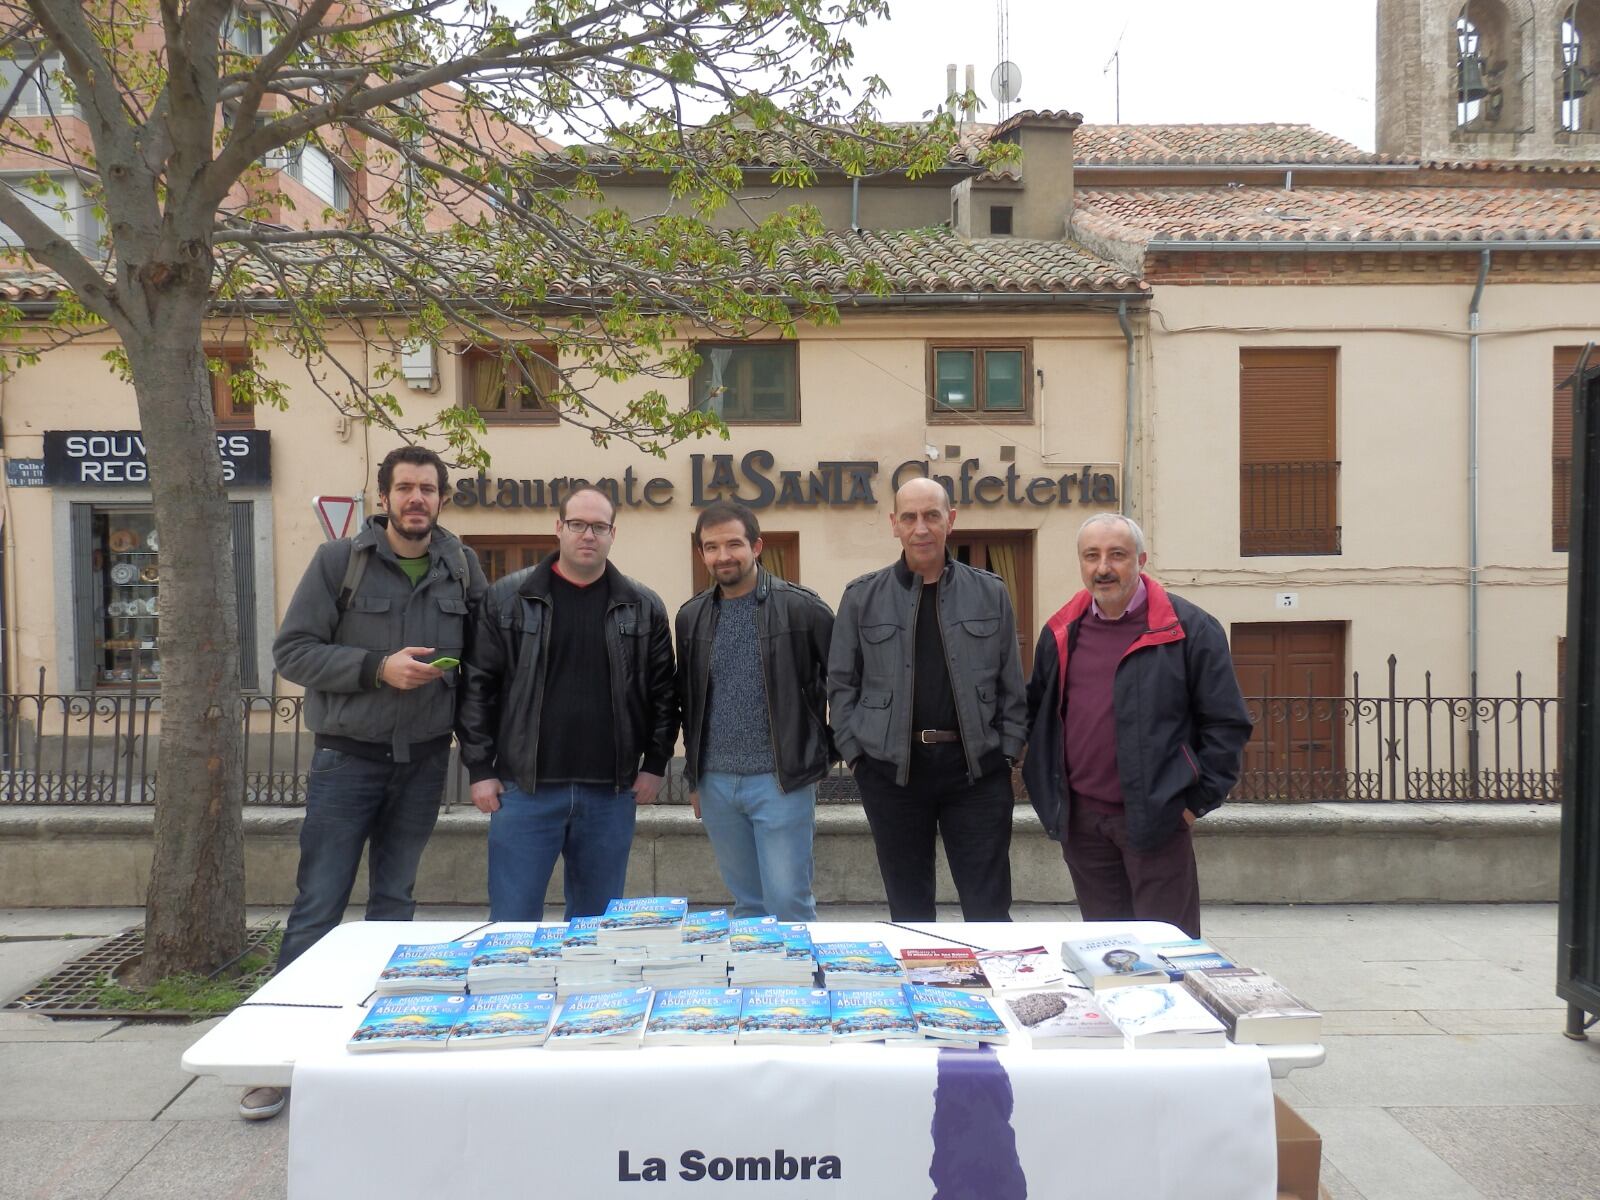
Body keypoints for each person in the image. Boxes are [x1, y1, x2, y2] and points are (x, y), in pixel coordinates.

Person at [249, 445, 486, 1121]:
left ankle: (383, 1047)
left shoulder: (462, 569)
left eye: (428, 489)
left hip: (422, 765)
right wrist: (375, 668)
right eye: (405, 488)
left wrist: (482, 758)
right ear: (384, 496)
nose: (417, 499)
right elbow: (292, 652)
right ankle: (280, 1060)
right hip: (346, 761)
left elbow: (478, 669)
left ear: (442, 499)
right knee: (318, 906)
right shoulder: (339, 564)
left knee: (395, 901)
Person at [1023, 513, 1251, 939]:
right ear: (1081, 562)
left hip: (1157, 820)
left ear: (1141, 560)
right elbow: (1039, 713)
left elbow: (1226, 725)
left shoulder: (1190, 630)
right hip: (1083, 824)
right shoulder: (1060, 631)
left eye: (1117, 555)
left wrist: (1191, 804)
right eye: (1092, 556)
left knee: (1168, 949)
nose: (1103, 567)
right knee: (1106, 952)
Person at [457, 485, 677, 922]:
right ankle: (514, 992)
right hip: (525, 791)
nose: (588, 535)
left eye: (599, 526)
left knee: (595, 931)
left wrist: (655, 764)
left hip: (610, 795)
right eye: (578, 524)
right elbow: (478, 687)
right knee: (512, 926)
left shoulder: (642, 605)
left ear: (613, 533)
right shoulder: (507, 599)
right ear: (559, 528)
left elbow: (664, 694)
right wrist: (481, 769)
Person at [827, 477, 1026, 922]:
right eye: (911, 517)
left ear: (950, 521)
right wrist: (858, 758)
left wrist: (1008, 754)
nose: (922, 528)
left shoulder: (990, 592)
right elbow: (841, 687)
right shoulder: (862, 598)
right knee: (910, 908)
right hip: (891, 775)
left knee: (989, 906)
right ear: (894, 524)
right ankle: (921, 988)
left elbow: (1013, 683)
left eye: (932, 516)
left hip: (976, 773)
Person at [675, 501, 835, 921]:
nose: (723, 556)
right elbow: (689, 701)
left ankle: (798, 983)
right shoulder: (691, 617)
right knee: (748, 905)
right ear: (701, 553)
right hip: (717, 784)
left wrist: (825, 751)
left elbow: (846, 683)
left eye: (733, 544)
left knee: (787, 902)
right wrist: (694, 777)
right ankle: (758, 985)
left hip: (780, 781)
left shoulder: (803, 609)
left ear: (757, 546)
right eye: (711, 547)